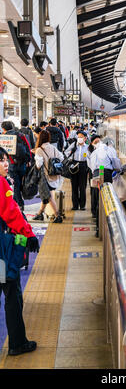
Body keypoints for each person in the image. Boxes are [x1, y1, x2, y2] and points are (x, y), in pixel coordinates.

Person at [0, 146, 39, 356]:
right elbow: (11, 212)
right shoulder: (0, 183)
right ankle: (17, 342)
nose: (6, 164)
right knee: (12, 292)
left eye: (6, 160)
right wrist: (29, 234)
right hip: (1, 254)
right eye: (2, 161)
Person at [32, 130, 64, 223]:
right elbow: (61, 157)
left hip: (45, 177)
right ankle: (39, 214)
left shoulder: (39, 150)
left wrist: (36, 156)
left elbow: (38, 165)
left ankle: (57, 215)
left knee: (49, 196)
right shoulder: (53, 148)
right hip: (54, 175)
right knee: (45, 195)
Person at [1, 121, 31, 211]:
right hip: (22, 163)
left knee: (16, 185)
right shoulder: (20, 135)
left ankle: (20, 204)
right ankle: (14, 202)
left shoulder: (3, 137)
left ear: (3, 128)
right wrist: (28, 160)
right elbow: (27, 146)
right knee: (20, 184)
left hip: (11, 164)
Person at [64, 131, 89, 210]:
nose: (79, 138)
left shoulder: (88, 147)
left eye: (81, 137)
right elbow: (66, 152)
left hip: (83, 166)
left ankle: (82, 205)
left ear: (85, 138)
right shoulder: (74, 145)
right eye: (78, 137)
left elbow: (91, 157)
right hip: (74, 165)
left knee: (82, 186)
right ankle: (75, 205)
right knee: (74, 186)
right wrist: (71, 153)